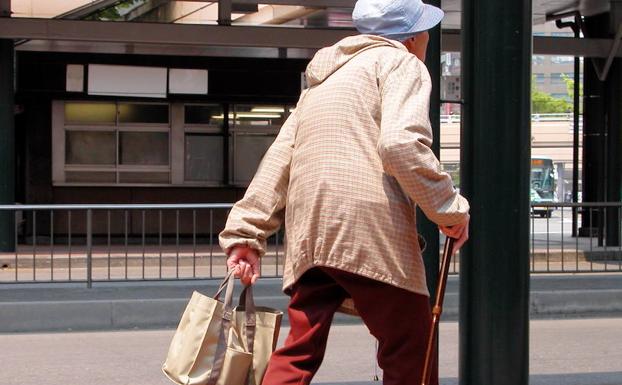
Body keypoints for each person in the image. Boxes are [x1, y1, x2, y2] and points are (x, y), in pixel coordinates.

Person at [219, 0, 470, 383]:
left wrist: (245, 234)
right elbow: (401, 145)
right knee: (410, 344)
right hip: (368, 226)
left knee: (300, 348)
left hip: (311, 230)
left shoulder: (322, 82)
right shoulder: (401, 63)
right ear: (414, 37)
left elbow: (279, 160)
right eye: (424, 33)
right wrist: (449, 209)